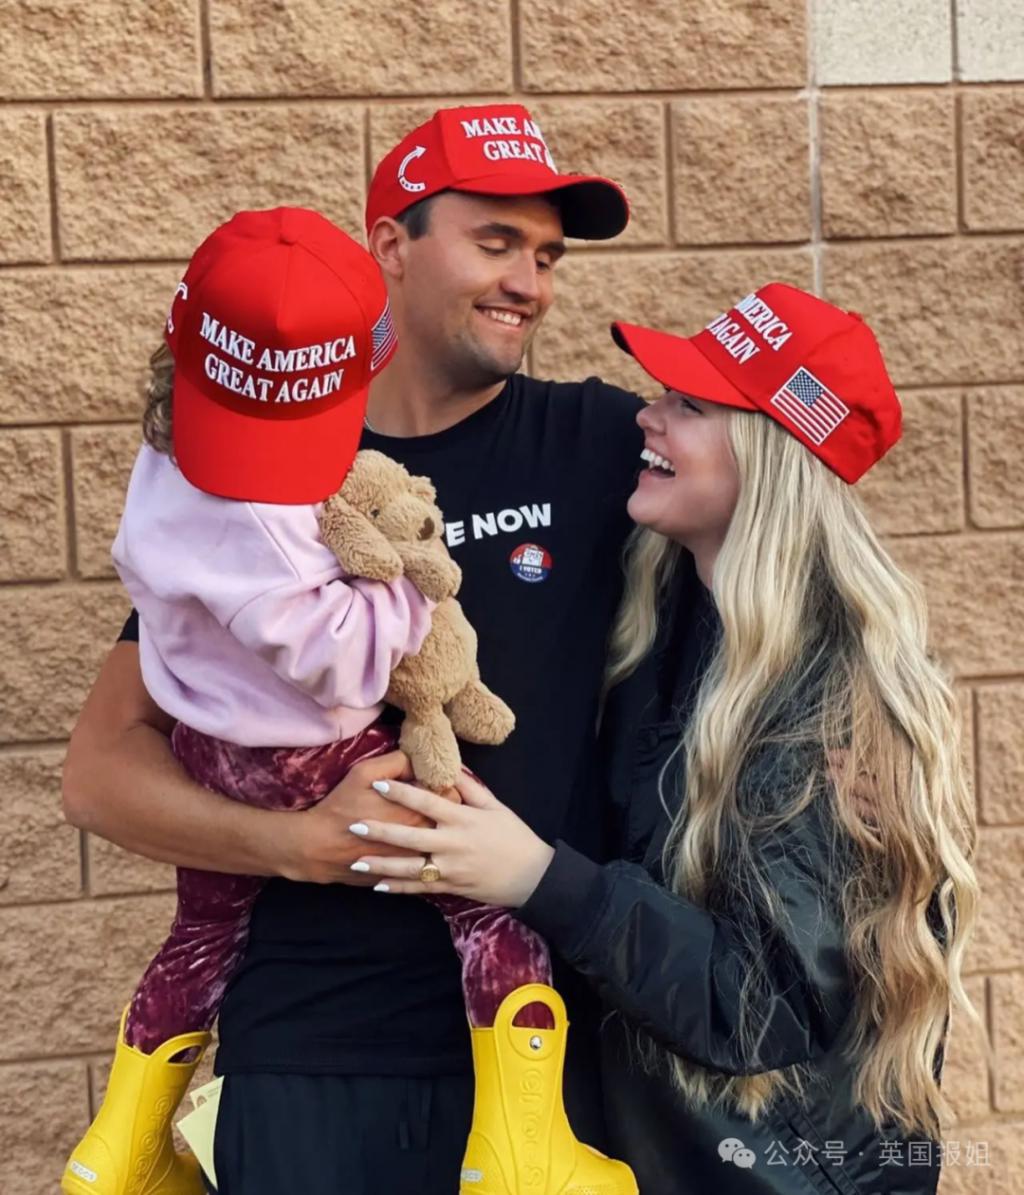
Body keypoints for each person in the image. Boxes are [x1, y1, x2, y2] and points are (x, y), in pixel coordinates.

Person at [62, 104, 657, 1194]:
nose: (529, 281)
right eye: (495, 241)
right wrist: (295, 842)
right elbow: (99, 775)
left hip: (535, 1059)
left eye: (546, 256)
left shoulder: (598, 444)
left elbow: (780, 524)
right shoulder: (259, 469)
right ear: (391, 243)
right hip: (306, 1053)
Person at [347, 283, 980, 1195]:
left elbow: (761, 1006)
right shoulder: (677, 615)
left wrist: (533, 875)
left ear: (770, 457)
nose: (646, 416)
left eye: (690, 404)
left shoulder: (827, 697)